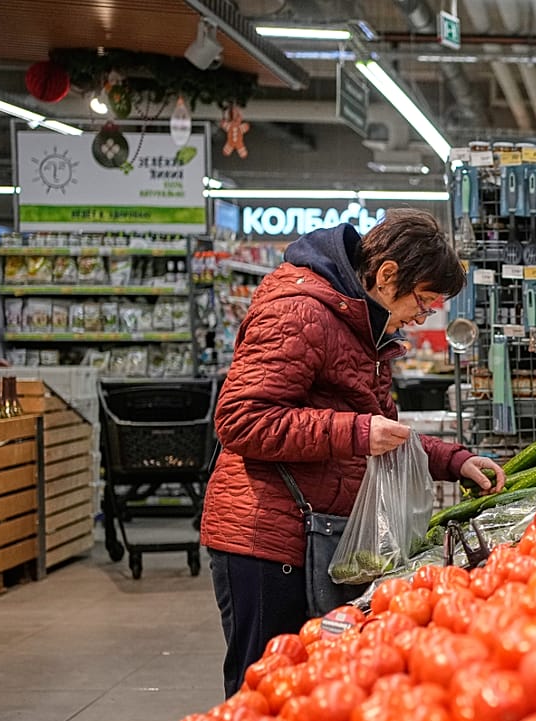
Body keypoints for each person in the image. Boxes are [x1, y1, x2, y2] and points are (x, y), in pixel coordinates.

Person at [199, 209, 503, 696]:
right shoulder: (299, 311)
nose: (423, 317)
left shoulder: (361, 323)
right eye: (423, 301)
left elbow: (373, 428)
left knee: (305, 693)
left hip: (312, 532)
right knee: (263, 695)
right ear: (386, 276)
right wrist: (356, 433)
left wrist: (453, 460)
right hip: (265, 538)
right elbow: (241, 419)